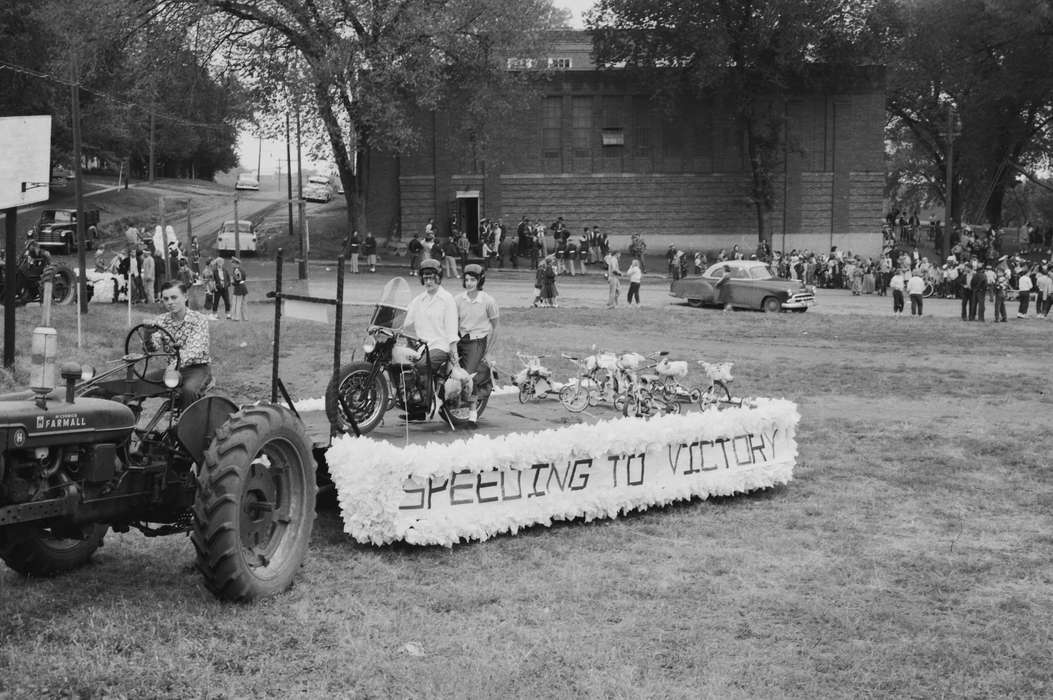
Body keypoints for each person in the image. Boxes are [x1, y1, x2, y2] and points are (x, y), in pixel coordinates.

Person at [402, 258, 460, 416]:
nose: (428, 281)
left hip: (440, 346)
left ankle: (424, 406)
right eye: (425, 278)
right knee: (400, 362)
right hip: (421, 346)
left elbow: (452, 329)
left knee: (422, 365)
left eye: (431, 277)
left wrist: (454, 355)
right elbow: (404, 317)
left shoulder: (447, 299)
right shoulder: (419, 300)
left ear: (438, 277)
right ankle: (409, 399)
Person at [148, 280, 212, 409]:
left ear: (185, 297)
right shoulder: (161, 320)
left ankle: (188, 426)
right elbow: (152, 348)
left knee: (189, 391)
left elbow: (195, 349)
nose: (170, 302)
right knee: (140, 383)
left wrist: (173, 365)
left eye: (174, 297)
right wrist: (147, 334)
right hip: (173, 371)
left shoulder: (199, 320)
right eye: (166, 299)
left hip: (197, 369)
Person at [455, 264, 499, 424]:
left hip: (477, 341)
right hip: (460, 338)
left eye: (473, 280)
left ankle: (473, 410)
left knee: (469, 373)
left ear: (480, 280)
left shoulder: (488, 301)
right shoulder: (458, 299)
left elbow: (496, 328)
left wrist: (488, 351)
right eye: (466, 280)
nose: (469, 283)